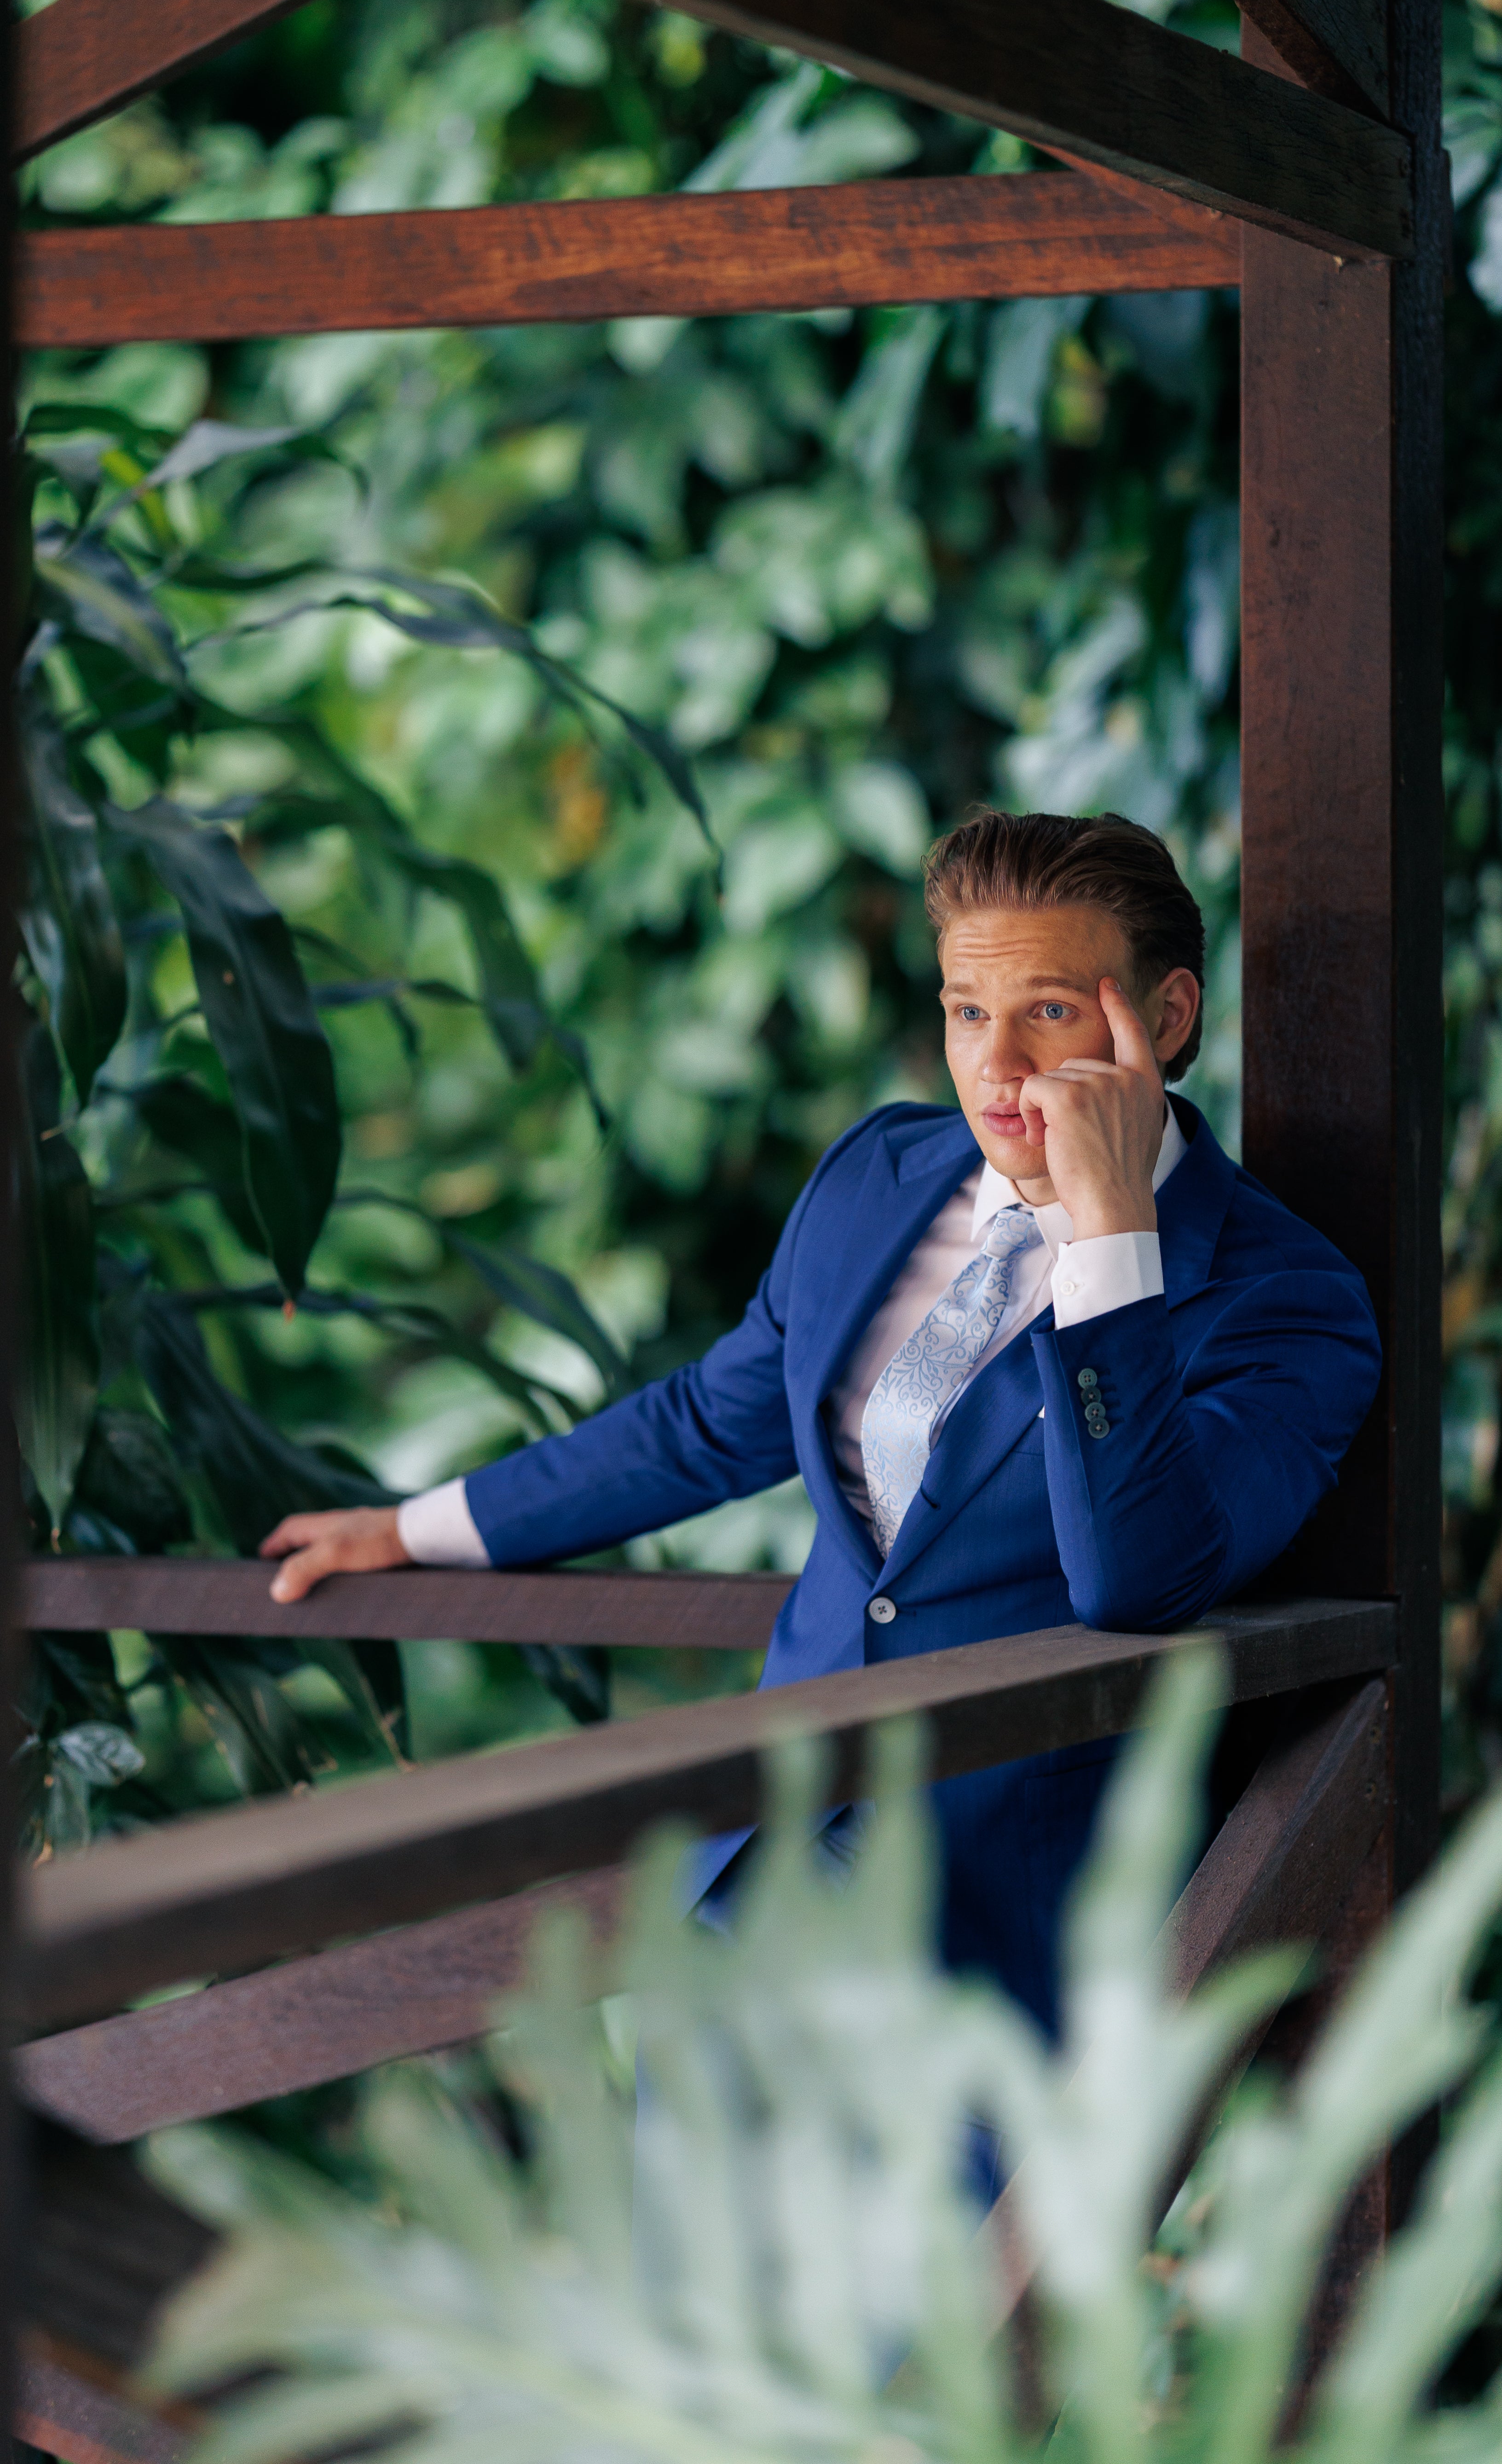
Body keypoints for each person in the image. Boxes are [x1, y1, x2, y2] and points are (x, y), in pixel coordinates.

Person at [260, 809, 1381, 2034]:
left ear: (1162, 1020)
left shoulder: (1285, 1300)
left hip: (1005, 1953)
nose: (997, 1066)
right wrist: (422, 1529)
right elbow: (708, 1423)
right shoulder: (877, 1179)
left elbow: (1139, 1579)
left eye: (1050, 1011)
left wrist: (1111, 1245)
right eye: (967, 1011)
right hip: (758, 1885)